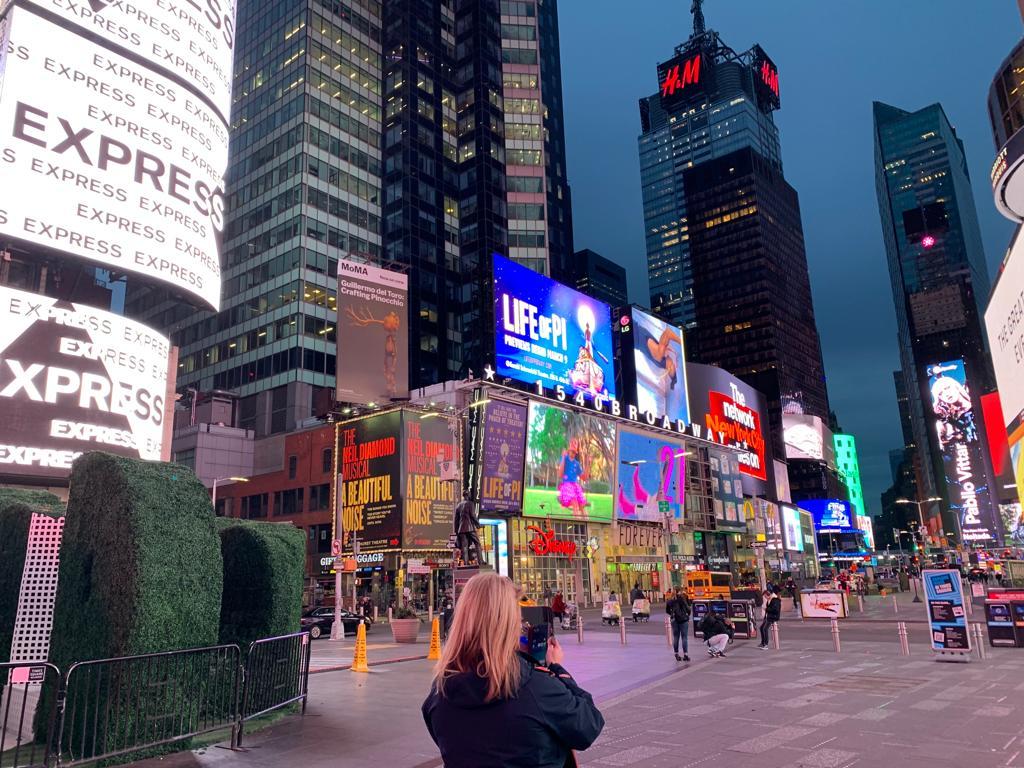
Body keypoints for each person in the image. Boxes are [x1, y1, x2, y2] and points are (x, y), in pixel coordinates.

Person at [422, 573, 604, 768]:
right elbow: (588, 725)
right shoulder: (535, 687)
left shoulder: (439, 691)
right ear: (508, 623)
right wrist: (557, 668)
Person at [666, 587, 692, 662]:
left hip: (674, 620)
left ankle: (676, 654)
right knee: (684, 637)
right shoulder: (682, 599)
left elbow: (667, 610)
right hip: (683, 620)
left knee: (676, 637)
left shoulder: (670, 600)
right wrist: (688, 614)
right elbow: (688, 608)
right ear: (679, 591)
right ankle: (685, 655)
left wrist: (672, 614)